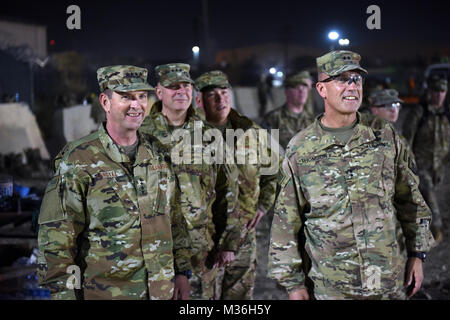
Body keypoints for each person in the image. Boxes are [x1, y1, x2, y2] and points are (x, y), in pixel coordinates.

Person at [268, 50, 435, 300]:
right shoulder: (301, 148)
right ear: (322, 90)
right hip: (332, 287)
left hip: (387, 280)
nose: (352, 86)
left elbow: (411, 200)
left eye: (356, 79)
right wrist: (293, 284)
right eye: (342, 79)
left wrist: (417, 254)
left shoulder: (384, 135)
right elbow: (286, 222)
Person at [37, 65, 192, 300]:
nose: (136, 105)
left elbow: (176, 219)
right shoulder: (78, 159)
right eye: (126, 97)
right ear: (105, 102)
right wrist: (64, 295)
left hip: (162, 292)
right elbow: (56, 241)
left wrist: (181, 272)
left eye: (141, 96)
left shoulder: (158, 153)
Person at [139, 63, 240, 300]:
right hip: (152, 249)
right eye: (173, 86)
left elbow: (229, 190)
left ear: (193, 92)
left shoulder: (209, 136)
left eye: (185, 85)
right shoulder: (141, 134)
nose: (180, 91)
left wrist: (229, 242)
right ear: (159, 92)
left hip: (200, 250)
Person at [195, 70, 278, 299]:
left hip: (244, 236)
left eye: (224, 93)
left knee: (239, 299)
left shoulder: (252, 133)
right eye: (213, 95)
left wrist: (263, 206)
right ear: (199, 100)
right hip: (204, 240)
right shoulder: (190, 137)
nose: (221, 100)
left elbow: (274, 173)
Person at [403, 75, 449, 245]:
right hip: (420, 164)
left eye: (442, 91)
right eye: (435, 91)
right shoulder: (419, 112)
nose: (438, 95)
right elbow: (406, 139)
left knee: (426, 198)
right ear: (429, 92)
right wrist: (409, 163)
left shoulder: (446, 113)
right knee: (428, 192)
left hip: (439, 167)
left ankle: (418, 227)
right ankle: (437, 228)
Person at [262, 71, 314, 151]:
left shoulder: (312, 121)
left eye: (304, 87)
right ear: (287, 91)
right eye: (296, 87)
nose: (301, 91)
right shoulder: (274, 119)